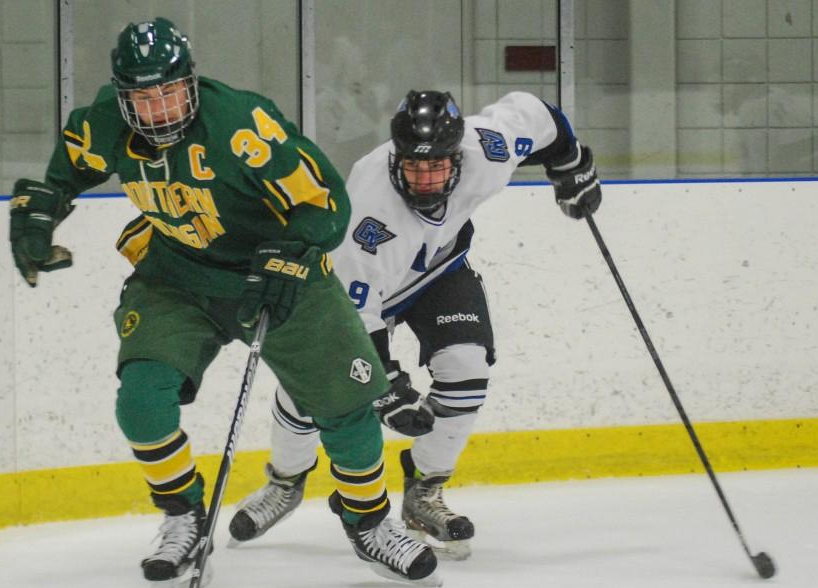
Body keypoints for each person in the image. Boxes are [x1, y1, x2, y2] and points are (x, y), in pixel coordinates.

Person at [7, 18, 438, 588]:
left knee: (348, 411)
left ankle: (369, 523)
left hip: (282, 275)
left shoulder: (241, 125)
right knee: (141, 402)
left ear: (190, 82)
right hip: (177, 277)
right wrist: (42, 212)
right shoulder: (103, 121)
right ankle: (185, 516)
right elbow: (64, 175)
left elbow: (326, 203)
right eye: (141, 96)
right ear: (122, 93)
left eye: (168, 92)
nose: (157, 108)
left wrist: (288, 251)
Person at [228, 89, 601, 559]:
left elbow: (536, 114)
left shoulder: (487, 148)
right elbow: (354, 314)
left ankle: (424, 491)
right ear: (395, 160)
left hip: (439, 272)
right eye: (413, 167)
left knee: (467, 367)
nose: (424, 180)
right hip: (358, 298)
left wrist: (571, 165)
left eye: (436, 167)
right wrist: (388, 384)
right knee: (312, 389)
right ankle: (286, 481)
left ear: (457, 158)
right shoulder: (368, 208)